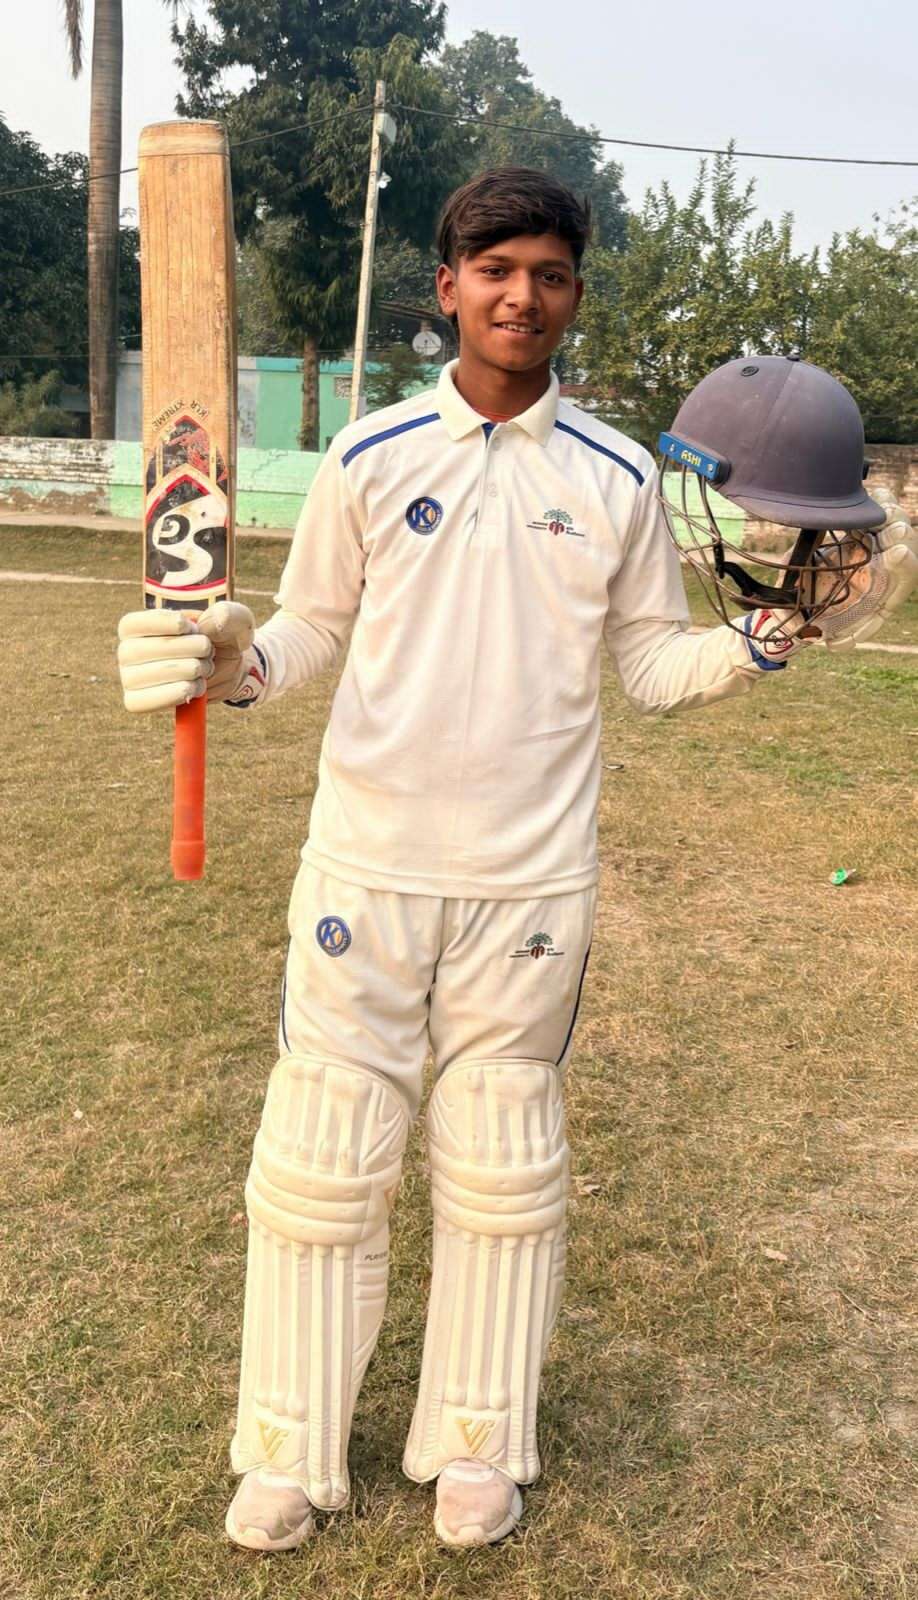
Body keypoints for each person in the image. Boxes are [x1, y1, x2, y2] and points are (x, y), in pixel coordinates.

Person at [117, 167, 916, 1550]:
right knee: (321, 1158)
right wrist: (230, 660)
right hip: (366, 864)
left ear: (572, 297)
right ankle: (288, 1453)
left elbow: (649, 666)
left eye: (547, 274)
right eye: (493, 271)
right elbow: (310, 631)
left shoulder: (614, 477)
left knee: (501, 1161)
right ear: (448, 289)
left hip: (531, 883)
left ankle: (477, 1446)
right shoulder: (369, 456)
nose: (519, 295)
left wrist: (758, 643)